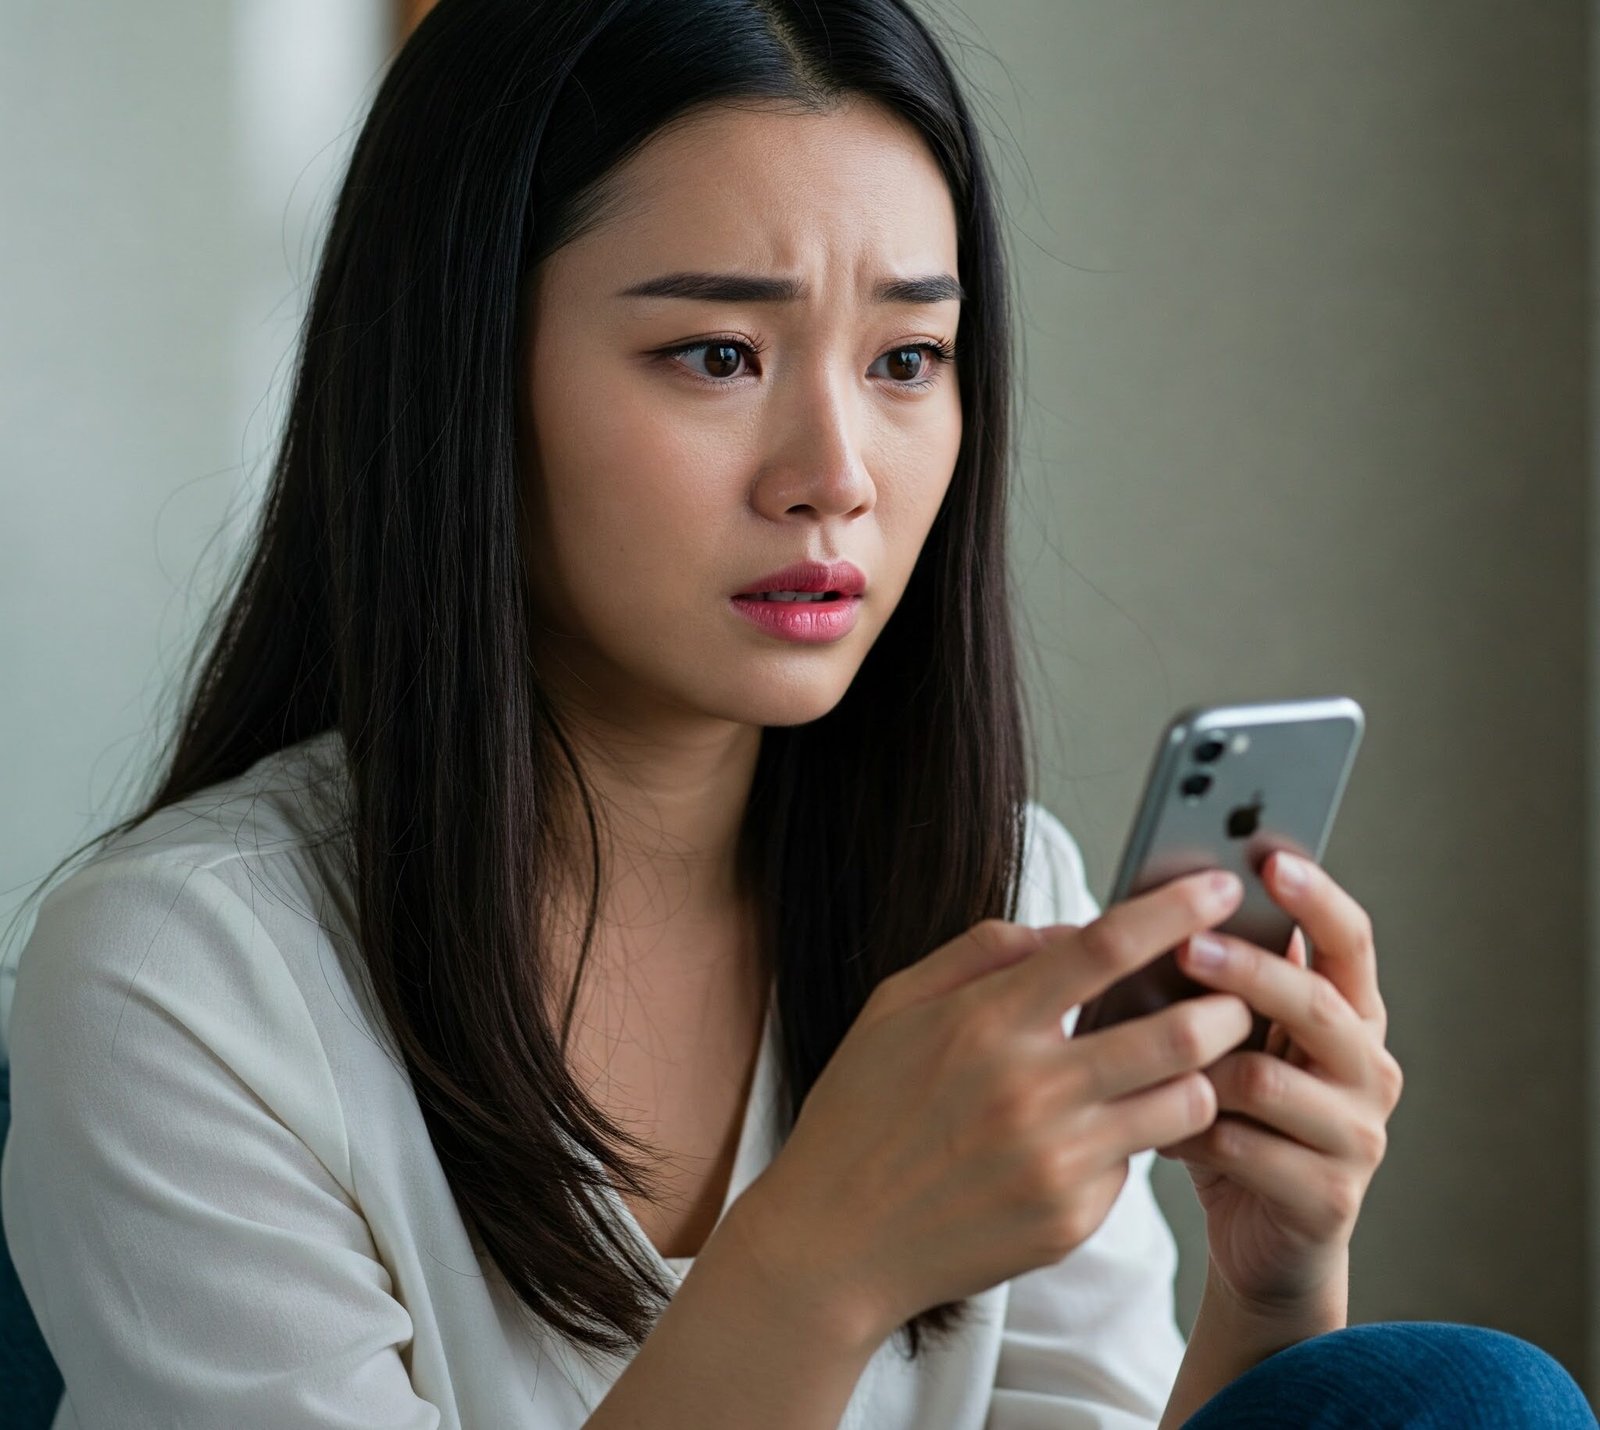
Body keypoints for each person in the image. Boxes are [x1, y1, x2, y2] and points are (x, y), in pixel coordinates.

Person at [1, 1, 1592, 1426]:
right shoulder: (186, 974)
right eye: (717, 352)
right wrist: (821, 1258)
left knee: (1453, 1401)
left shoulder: (993, 899)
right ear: (463, 375)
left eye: (909, 356)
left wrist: (1270, 1291)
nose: (836, 471)